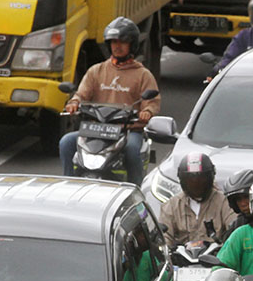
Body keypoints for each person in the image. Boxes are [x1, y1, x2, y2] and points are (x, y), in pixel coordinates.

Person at [59, 17, 160, 186]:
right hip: (96, 130)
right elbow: (81, 93)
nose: (117, 46)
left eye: (122, 42)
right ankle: (69, 184)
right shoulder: (96, 71)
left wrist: (147, 112)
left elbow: (152, 102)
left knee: (132, 150)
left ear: (132, 44)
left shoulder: (143, 75)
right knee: (66, 142)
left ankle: (135, 190)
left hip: (127, 131)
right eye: (113, 42)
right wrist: (74, 102)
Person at [159, 151, 236, 248]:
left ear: (211, 178)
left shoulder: (224, 202)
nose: (196, 185)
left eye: (201, 180)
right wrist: (165, 248)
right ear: (182, 180)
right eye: (191, 181)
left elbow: (235, 229)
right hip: (180, 261)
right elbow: (164, 238)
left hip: (217, 259)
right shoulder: (172, 205)